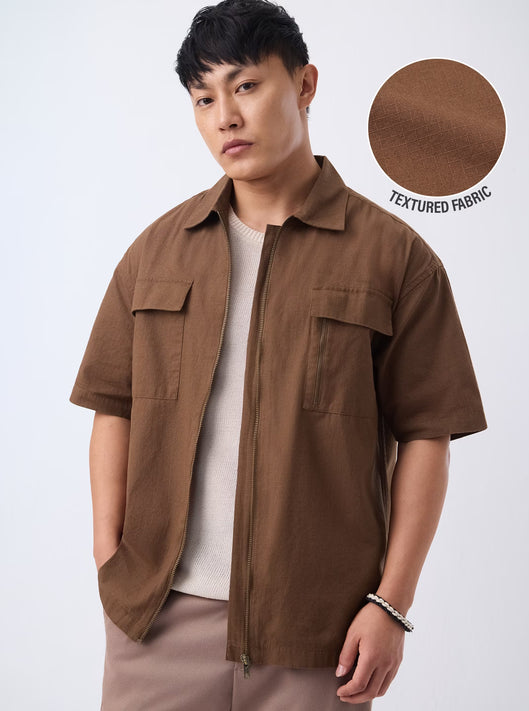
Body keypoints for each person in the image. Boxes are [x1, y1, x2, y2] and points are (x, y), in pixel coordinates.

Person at [69, 0, 487, 708]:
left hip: (320, 634)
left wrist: (390, 604)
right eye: (204, 98)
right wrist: (110, 558)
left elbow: (427, 433)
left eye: (245, 85)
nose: (225, 116)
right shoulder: (155, 253)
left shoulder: (395, 258)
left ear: (304, 84)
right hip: (157, 624)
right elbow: (113, 405)